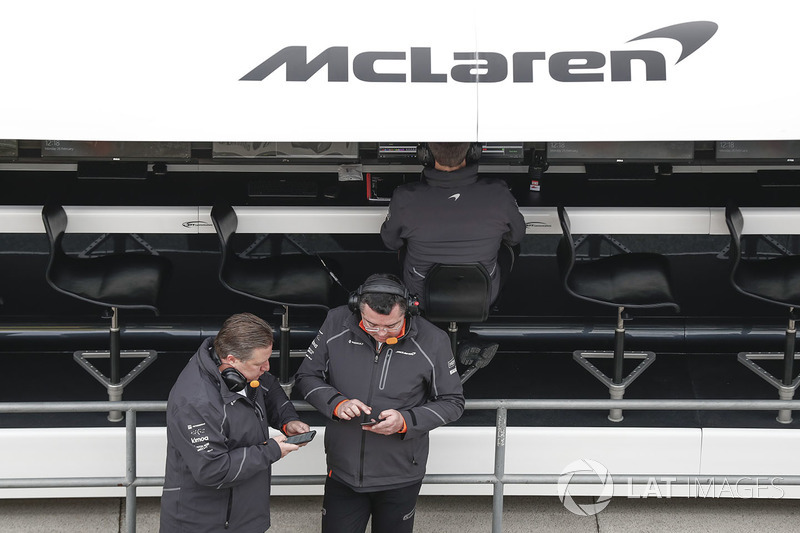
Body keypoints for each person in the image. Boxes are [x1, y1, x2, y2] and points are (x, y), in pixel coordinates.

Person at [294, 274, 465, 533]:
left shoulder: (434, 340)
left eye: (392, 326)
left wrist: (405, 421)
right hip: (343, 472)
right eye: (371, 325)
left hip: (401, 475)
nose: (382, 334)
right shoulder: (335, 322)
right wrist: (335, 403)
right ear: (356, 308)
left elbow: (453, 402)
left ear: (408, 310)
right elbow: (306, 376)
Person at [160, 312, 310, 533]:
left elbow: (268, 386)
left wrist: (287, 419)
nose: (267, 367)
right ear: (231, 359)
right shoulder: (195, 403)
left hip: (246, 514)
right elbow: (213, 470)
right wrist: (271, 450)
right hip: (203, 523)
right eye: (260, 363)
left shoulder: (240, 371)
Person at [380, 141, 526, 307]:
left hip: (422, 297)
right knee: (511, 246)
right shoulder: (499, 192)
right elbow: (516, 236)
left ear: (424, 154)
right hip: (483, 294)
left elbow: (391, 242)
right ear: (473, 152)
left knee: (404, 244)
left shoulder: (404, 197)